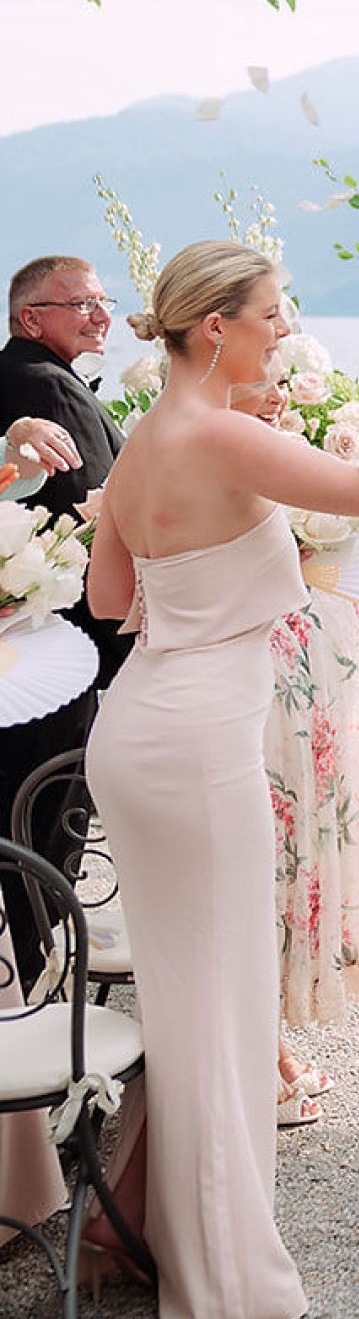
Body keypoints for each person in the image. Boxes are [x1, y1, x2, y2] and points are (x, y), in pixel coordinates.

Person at [82, 240, 359, 1319]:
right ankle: (219, 1276)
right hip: (198, 748)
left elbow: (109, 596)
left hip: (139, 730)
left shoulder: (146, 440)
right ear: (214, 330)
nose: (282, 332)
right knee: (223, 999)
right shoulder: (224, 433)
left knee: (190, 993)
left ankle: (133, 1221)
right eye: (274, 315)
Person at [235, 374, 359, 1126]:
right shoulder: (228, 450)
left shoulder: (283, 445)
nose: (278, 390)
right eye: (267, 377)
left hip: (320, 657)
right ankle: (260, 1051)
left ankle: (268, 1037)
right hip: (265, 670)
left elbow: (323, 559)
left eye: (284, 378)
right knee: (271, 853)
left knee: (293, 851)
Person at [0, 255, 130, 986]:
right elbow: (99, 504)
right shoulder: (46, 384)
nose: (101, 313)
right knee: (49, 812)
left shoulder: (15, 377)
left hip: (20, 641)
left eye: (104, 300)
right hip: (61, 646)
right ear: (31, 317)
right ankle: (45, 964)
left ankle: (20, 966)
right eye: (82, 303)